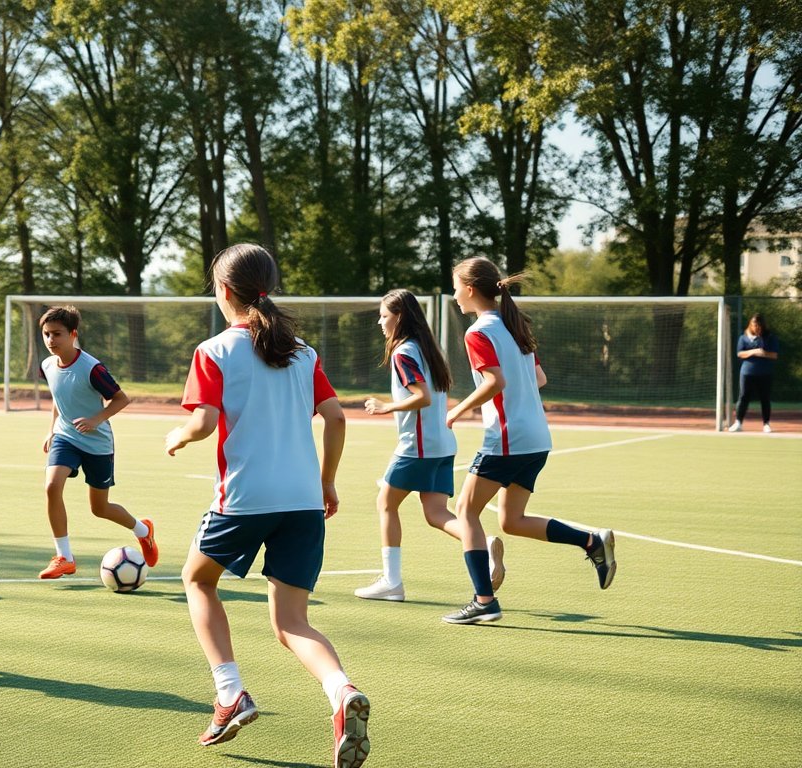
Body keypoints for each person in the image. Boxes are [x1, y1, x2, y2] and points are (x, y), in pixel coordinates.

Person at [165, 244, 369, 768]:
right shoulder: (303, 352)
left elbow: (205, 422)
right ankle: (341, 693)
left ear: (224, 291)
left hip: (245, 499)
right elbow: (337, 418)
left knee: (196, 580)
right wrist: (326, 483)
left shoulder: (213, 351)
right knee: (292, 623)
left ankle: (230, 692)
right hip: (303, 502)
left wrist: (179, 434)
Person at [441, 257, 616, 626]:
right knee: (511, 520)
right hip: (536, 437)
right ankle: (591, 542)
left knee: (465, 511)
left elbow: (494, 383)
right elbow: (538, 378)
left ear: (470, 289)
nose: (454, 293)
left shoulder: (477, 333)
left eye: (456, 285)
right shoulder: (513, 327)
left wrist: (457, 411)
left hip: (508, 438)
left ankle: (484, 600)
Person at [358, 289, 483, 602]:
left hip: (419, 447)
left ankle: (392, 582)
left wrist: (386, 407)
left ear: (399, 317)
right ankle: (485, 547)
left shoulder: (403, 352)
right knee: (436, 512)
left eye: (384, 315)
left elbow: (422, 397)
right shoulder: (427, 349)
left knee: (386, 504)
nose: (379, 321)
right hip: (442, 445)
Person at [37, 305, 158, 579]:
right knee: (51, 486)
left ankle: (143, 530)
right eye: (46, 334)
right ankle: (64, 557)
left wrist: (95, 419)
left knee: (99, 508)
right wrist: (51, 430)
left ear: (73, 334)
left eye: (57, 334)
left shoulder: (92, 369)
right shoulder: (46, 365)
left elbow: (121, 399)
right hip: (66, 436)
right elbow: (59, 398)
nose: (51, 340)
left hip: (97, 443)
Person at [729, 312, 781, 433]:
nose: (756, 327)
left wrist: (764, 353)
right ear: (750, 324)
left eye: (759, 325)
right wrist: (754, 351)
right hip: (747, 374)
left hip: (765, 373)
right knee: (743, 397)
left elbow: (774, 355)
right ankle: (738, 423)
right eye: (754, 324)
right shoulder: (743, 337)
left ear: (763, 325)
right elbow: (740, 353)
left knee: (765, 398)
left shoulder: (770, 337)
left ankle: (766, 424)